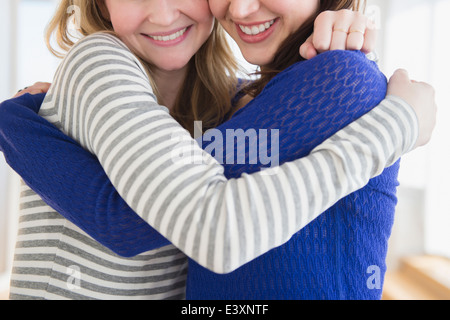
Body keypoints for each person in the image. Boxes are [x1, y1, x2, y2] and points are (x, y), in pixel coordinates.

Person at [0, 0, 435, 300]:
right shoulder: (111, 65)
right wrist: (398, 125)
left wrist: (17, 123)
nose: (163, 12)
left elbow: (134, 220)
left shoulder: (244, 98)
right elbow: (156, 218)